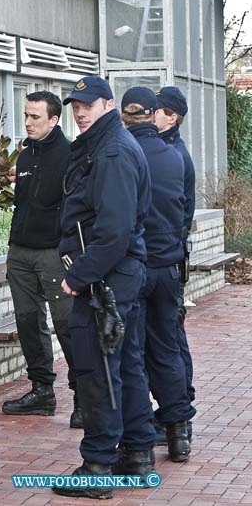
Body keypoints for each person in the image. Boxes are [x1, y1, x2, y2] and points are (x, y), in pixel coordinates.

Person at [52, 76, 156, 500]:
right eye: (76, 104)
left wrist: (79, 276)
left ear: (109, 105)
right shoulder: (103, 145)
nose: (80, 111)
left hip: (105, 279)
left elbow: (113, 232)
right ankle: (136, 452)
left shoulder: (111, 151)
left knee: (98, 371)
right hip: (117, 274)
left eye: (89, 104)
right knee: (125, 365)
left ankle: (98, 465)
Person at [122, 86, 194, 466]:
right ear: (153, 116)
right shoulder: (176, 157)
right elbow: (184, 214)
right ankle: (179, 430)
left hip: (137, 267)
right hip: (168, 265)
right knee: (167, 348)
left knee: (132, 353)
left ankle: (139, 441)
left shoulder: (123, 154)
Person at [2, 91, 81, 428]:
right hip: (20, 251)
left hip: (53, 253)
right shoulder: (25, 155)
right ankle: (41, 391)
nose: (28, 122)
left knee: (67, 325)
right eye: (26, 116)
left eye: (35, 117)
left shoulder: (69, 155)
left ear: (54, 119)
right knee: (28, 322)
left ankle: (84, 398)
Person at [155, 86, 196, 444]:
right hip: (170, 257)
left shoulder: (173, 154)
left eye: (158, 110)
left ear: (173, 117)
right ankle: (178, 411)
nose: (152, 114)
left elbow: (182, 213)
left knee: (170, 338)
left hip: (166, 259)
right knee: (170, 336)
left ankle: (179, 409)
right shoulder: (169, 150)